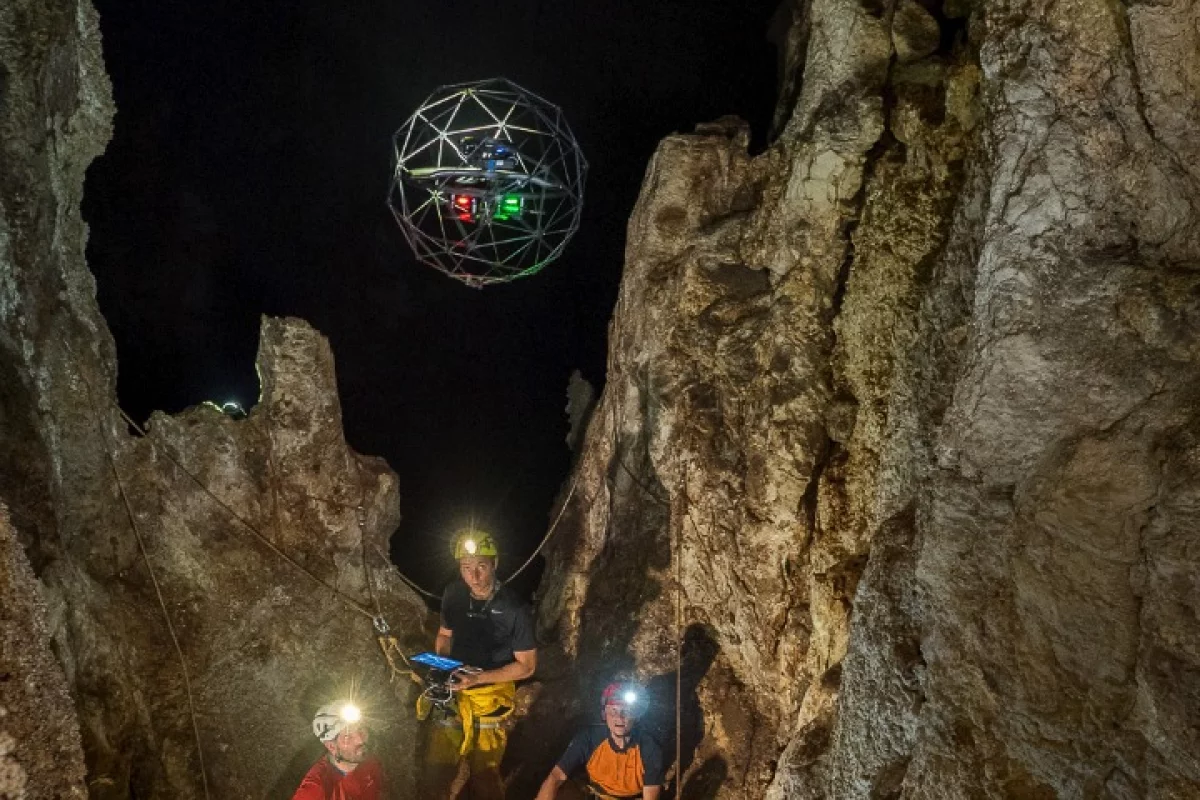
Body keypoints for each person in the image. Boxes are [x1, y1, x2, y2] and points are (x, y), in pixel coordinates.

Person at [421, 528, 537, 799]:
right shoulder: (453, 594)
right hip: (454, 688)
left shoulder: (514, 608)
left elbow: (527, 666)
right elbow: (445, 635)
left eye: (481, 567)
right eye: (466, 567)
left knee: (485, 774)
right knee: (436, 771)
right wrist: (440, 665)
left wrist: (478, 679)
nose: (473, 576)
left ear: (494, 564)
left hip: (490, 694)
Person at [535, 682, 664, 800]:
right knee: (558, 792)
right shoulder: (589, 738)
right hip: (593, 793)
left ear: (636, 716)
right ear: (604, 714)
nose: (619, 717)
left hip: (631, 798)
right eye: (613, 710)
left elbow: (650, 796)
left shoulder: (649, 748)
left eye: (627, 711)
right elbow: (555, 777)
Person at [292, 702, 384, 800]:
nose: (360, 740)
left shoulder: (367, 758)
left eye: (360, 729)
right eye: (347, 737)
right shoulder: (316, 790)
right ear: (332, 747)